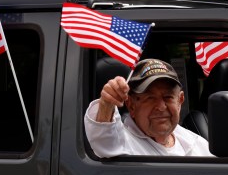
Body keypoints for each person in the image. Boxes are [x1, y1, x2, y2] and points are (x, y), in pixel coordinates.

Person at [85, 58, 213, 157]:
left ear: (180, 101)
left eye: (168, 97)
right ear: (131, 106)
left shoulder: (196, 143)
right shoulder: (121, 142)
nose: (161, 107)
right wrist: (107, 104)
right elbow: (102, 137)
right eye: (150, 98)